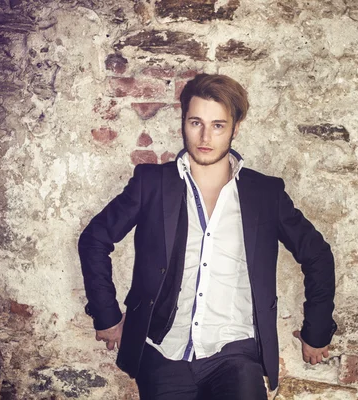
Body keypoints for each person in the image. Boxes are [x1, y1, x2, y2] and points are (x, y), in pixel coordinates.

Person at [78, 73, 337, 399]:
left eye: (218, 125)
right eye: (195, 122)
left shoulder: (264, 194)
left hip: (236, 353)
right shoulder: (153, 184)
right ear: (183, 122)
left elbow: (317, 255)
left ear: (235, 128)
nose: (205, 136)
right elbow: (94, 240)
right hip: (164, 352)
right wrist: (106, 314)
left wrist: (316, 330)